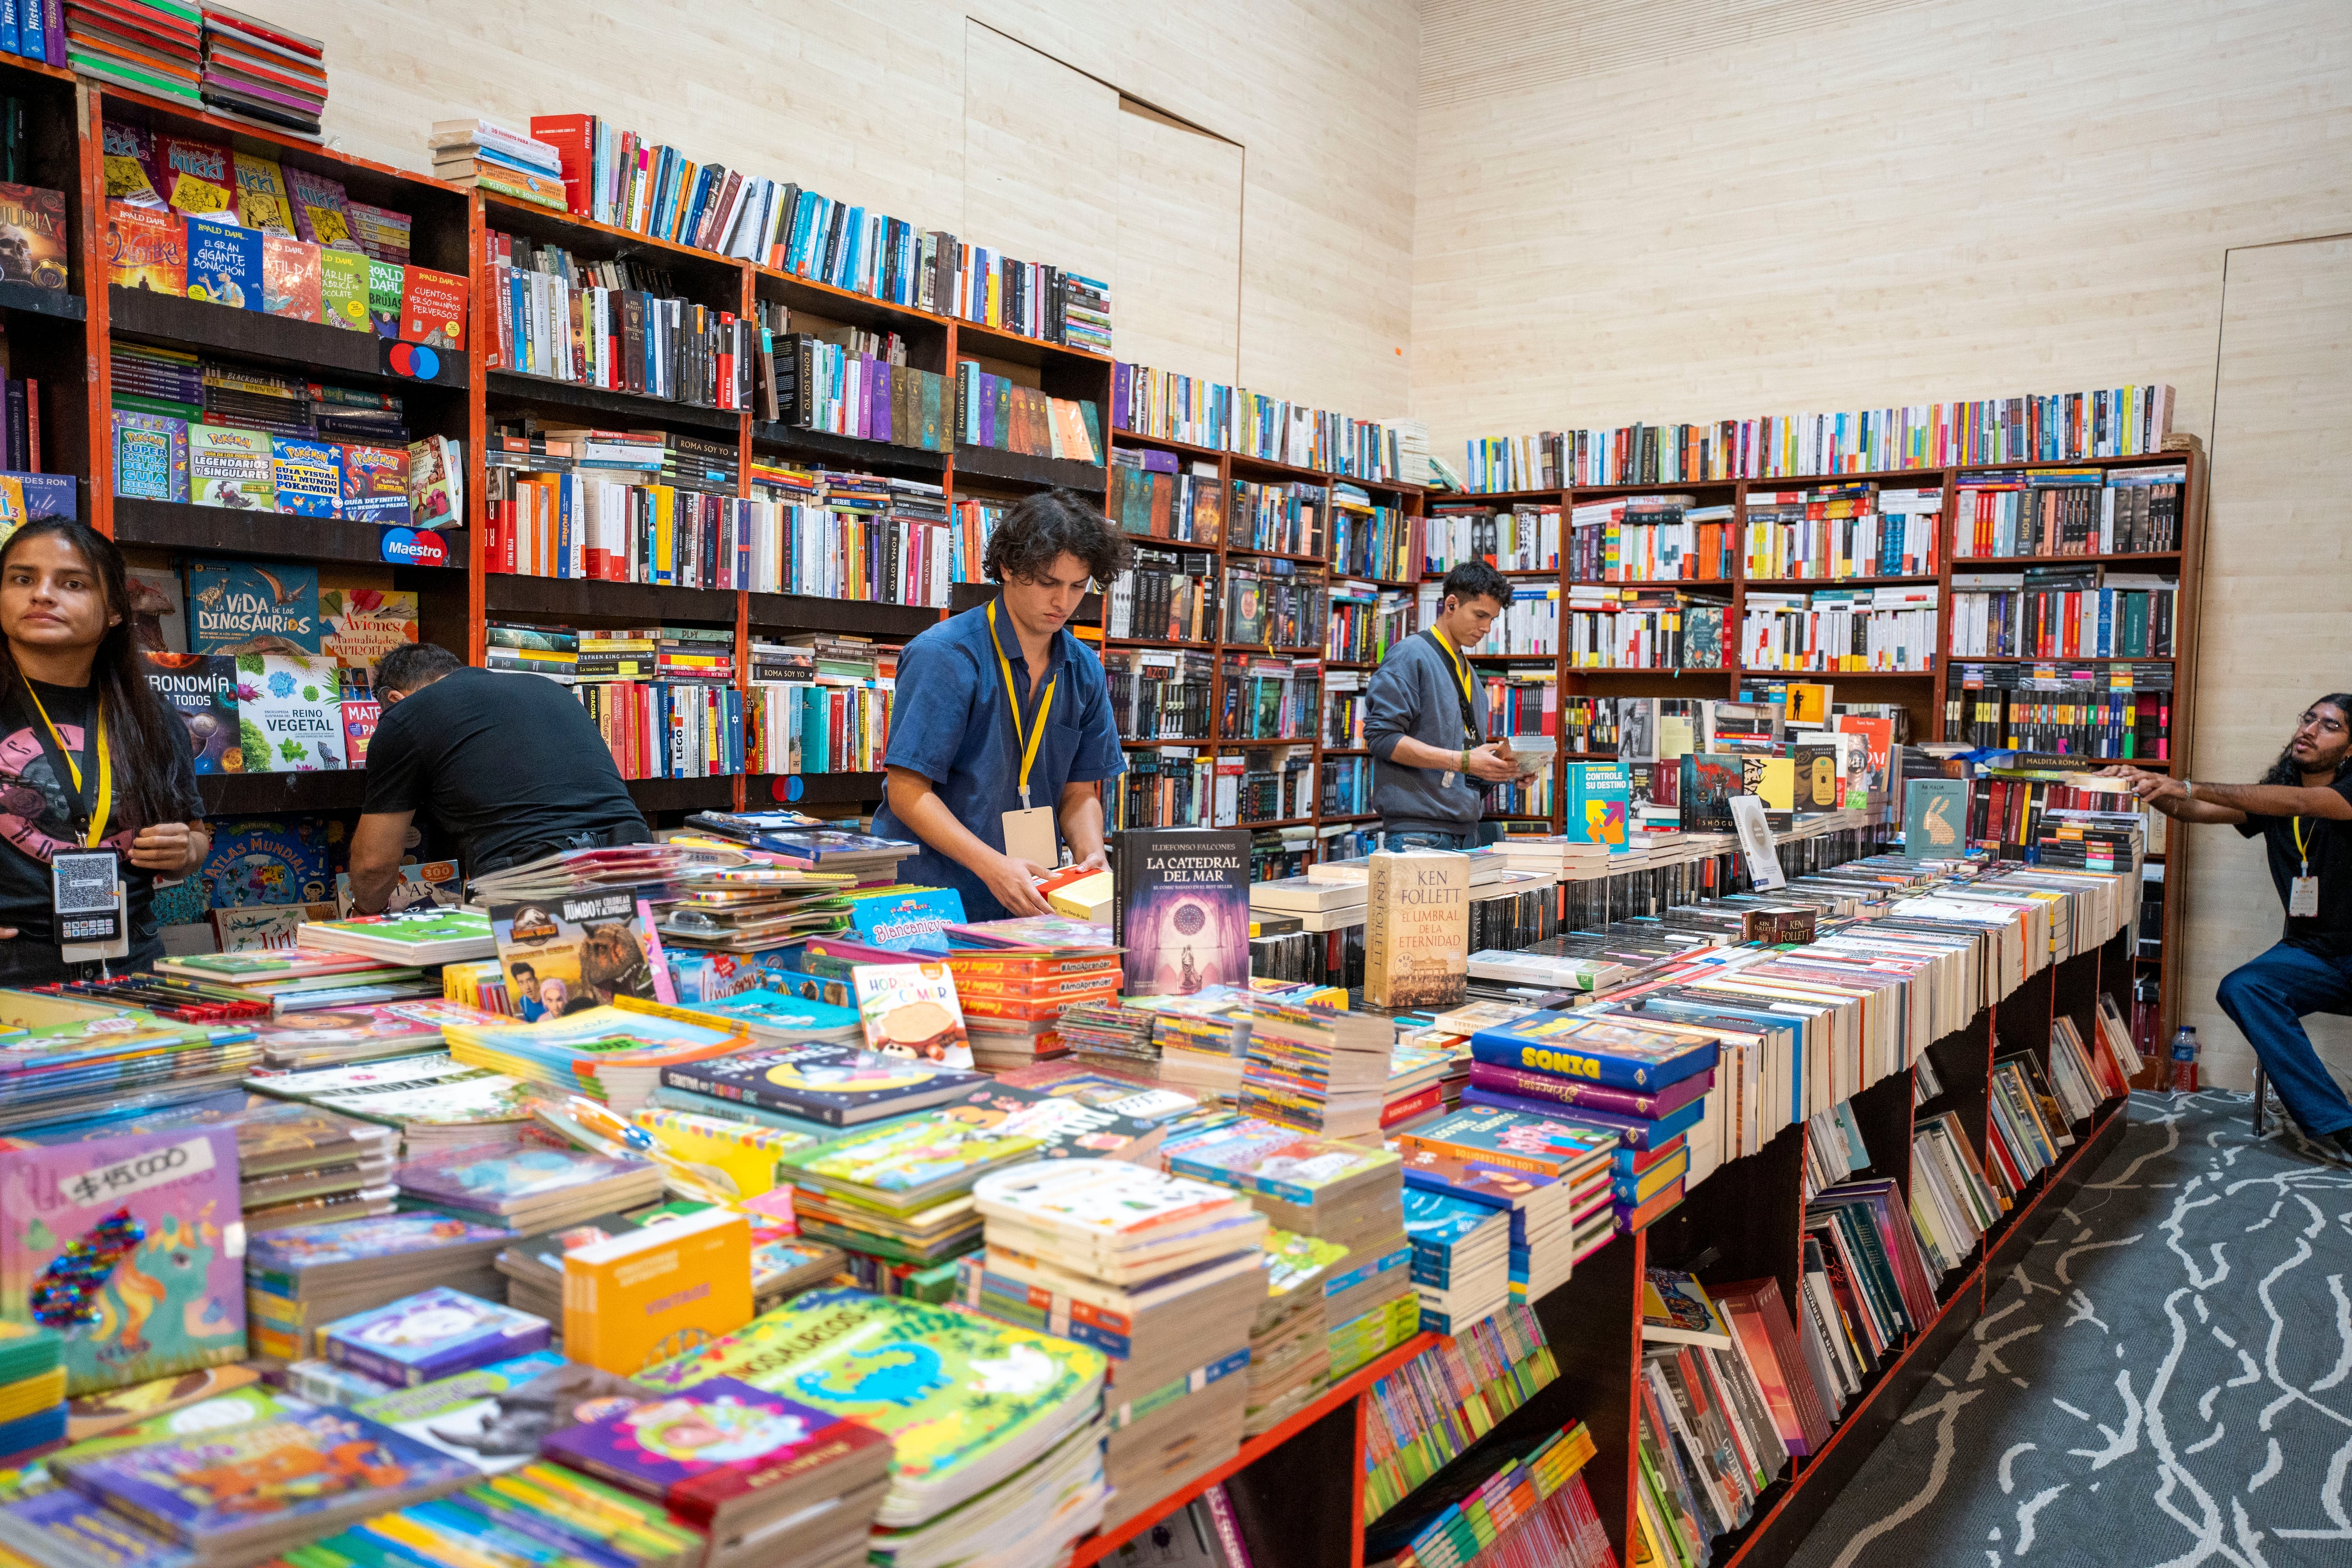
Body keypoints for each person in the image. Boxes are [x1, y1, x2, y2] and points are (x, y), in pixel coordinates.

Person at [2109, 695, 2352, 1158]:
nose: (2308, 729)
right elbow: (2192, 811)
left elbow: (2303, 801)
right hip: (2310, 953)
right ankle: (2338, 1123)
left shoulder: (2333, 791)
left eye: (2330, 726)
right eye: (2307, 718)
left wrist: (2183, 784)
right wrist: (2142, 785)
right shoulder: (2274, 794)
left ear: (2348, 750)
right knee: (2243, 988)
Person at [876, 488, 1130, 921]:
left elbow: (1079, 791)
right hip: (932, 899)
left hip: (1031, 902)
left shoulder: (1084, 668)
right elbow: (906, 792)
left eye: (1077, 586)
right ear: (1009, 567)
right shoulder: (945, 655)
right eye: (1049, 582)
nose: (1063, 602)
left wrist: (1092, 857)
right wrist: (992, 866)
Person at [0, 519, 208, 981]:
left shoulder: (150, 714)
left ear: (115, 609)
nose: (42, 595)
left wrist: (185, 850)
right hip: (14, 969)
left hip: (130, 963)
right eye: (23, 579)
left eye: (72, 583)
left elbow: (196, 837)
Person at [347, 642, 648, 912]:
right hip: (639, 860)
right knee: (632, 970)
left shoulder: (404, 717)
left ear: (394, 698)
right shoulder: (550, 689)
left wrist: (364, 914)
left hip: (529, 875)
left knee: (539, 972)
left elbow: (374, 866)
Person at [1366, 560, 1522, 851]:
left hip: (1465, 833)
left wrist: (1504, 770)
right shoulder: (1410, 655)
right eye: (1480, 615)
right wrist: (1463, 760)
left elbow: (1461, 766)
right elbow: (1381, 739)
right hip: (1418, 834)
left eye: (1492, 619)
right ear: (1451, 604)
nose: (1486, 628)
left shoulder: (1470, 673)